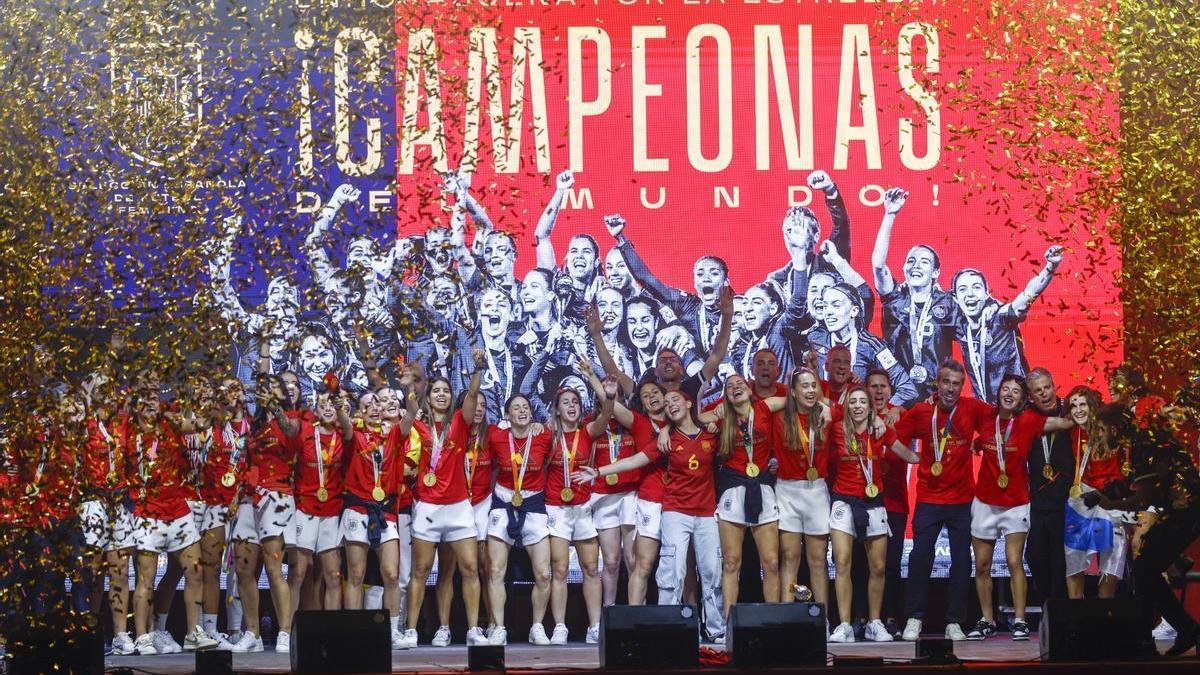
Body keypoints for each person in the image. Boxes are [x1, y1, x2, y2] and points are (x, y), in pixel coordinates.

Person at [575, 390, 726, 643]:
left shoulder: (711, 433)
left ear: (689, 402)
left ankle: (716, 628)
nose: (670, 404)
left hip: (706, 514)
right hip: (675, 512)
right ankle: (669, 628)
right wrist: (599, 472)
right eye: (667, 404)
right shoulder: (665, 440)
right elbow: (635, 460)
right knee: (672, 572)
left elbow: (731, 418)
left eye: (675, 399)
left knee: (711, 572)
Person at [1085, 404, 1200, 656]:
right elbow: (1134, 484)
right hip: (1181, 511)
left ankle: (1178, 630)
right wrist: (1106, 493)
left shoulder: (1141, 446)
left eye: (1102, 430)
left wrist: (1111, 504)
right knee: (1144, 567)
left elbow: (1143, 498)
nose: (1101, 436)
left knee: (1145, 567)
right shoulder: (1140, 441)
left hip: (1186, 511)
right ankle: (1157, 635)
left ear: (1115, 428)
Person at [892, 360, 994, 641]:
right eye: (946, 382)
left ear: (963, 386)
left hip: (962, 500)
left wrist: (981, 440)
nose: (950, 388)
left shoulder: (972, 408)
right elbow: (893, 435)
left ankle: (955, 622)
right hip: (928, 497)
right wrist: (910, 456)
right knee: (919, 558)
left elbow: (999, 415)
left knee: (961, 561)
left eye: (956, 384)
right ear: (937, 383)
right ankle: (914, 618)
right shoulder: (923, 411)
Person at [965, 375, 1072, 641]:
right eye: (1005, 389)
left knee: (1014, 561)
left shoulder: (1028, 421)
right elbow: (961, 411)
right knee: (981, 565)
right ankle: (987, 620)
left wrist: (1088, 411)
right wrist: (977, 442)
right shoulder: (984, 415)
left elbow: (1063, 422)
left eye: (1015, 391)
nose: (1009, 393)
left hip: (1016, 503)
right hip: (984, 502)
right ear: (998, 391)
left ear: (1023, 399)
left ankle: (1021, 621)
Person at [395, 354, 489, 648]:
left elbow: (473, 393)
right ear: (429, 396)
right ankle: (412, 630)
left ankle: (473, 630)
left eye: (446, 391)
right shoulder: (420, 426)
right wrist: (409, 386)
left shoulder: (461, 421)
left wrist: (477, 368)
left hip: (459, 506)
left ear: (452, 398)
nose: (441, 394)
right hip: (427, 506)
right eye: (436, 390)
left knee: (470, 569)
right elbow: (408, 412)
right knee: (421, 571)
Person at [125, 392, 217, 655]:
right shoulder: (127, 429)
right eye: (146, 398)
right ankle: (143, 637)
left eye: (155, 398)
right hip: (146, 513)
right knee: (146, 579)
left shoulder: (171, 423)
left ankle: (193, 633)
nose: (152, 403)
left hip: (177, 510)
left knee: (195, 572)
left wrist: (212, 404)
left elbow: (199, 424)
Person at [827, 386, 919, 643]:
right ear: (847, 406)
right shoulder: (836, 427)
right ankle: (844, 624)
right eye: (853, 402)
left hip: (873, 502)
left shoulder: (880, 430)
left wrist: (925, 458)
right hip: (843, 502)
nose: (857, 406)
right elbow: (825, 406)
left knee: (877, 567)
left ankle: (874, 622)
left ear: (870, 407)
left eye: (862, 402)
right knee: (843, 564)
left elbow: (904, 452)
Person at [700, 375, 786, 614]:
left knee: (770, 562)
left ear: (750, 390)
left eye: (740, 384)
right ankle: (729, 622)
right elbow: (697, 417)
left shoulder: (764, 407)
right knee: (731, 563)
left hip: (763, 490)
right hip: (733, 492)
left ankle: (773, 618)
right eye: (730, 387)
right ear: (726, 396)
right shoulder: (723, 416)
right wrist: (717, 411)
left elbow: (793, 399)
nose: (735, 388)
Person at [545, 363, 614, 645]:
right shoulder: (547, 434)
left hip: (584, 508)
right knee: (559, 570)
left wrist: (608, 397)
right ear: (557, 408)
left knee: (591, 569)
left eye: (575, 402)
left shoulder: (587, 431)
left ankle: (595, 626)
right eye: (565, 402)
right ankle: (560, 626)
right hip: (556, 508)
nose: (571, 406)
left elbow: (607, 415)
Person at [871, 188, 958, 401]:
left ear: (936, 272)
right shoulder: (894, 300)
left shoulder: (948, 303)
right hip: (898, 395)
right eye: (911, 261)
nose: (916, 266)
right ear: (903, 268)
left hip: (936, 398)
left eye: (924, 262)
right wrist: (889, 214)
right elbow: (878, 264)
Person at [483, 395, 554, 646]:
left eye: (525, 407)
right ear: (507, 415)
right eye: (516, 408)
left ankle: (537, 627)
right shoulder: (496, 436)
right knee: (495, 571)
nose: (522, 411)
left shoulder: (544, 435)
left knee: (544, 574)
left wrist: (543, 423)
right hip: (503, 504)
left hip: (534, 505)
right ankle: (499, 627)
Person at [952, 246, 1064, 403]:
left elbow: (1027, 296)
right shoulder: (958, 327)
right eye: (962, 289)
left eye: (976, 287)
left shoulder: (1001, 318)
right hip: (986, 413)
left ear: (986, 293)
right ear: (956, 298)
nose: (970, 294)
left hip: (1018, 409)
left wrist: (1050, 267)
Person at [77, 374, 137, 654]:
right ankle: (89, 633)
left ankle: (120, 634)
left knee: (120, 572)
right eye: (100, 389)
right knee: (93, 572)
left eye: (110, 388)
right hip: (93, 502)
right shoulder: (84, 425)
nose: (109, 393)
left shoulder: (123, 423)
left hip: (119, 503)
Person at [285, 391, 351, 622]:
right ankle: (287, 630)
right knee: (298, 573)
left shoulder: (344, 434)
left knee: (333, 576)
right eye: (323, 404)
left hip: (332, 513)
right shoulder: (305, 433)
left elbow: (350, 429)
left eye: (333, 405)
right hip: (305, 510)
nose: (328, 408)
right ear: (316, 409)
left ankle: (332, 629)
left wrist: (342, 411)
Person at [774, 368, 833, 611]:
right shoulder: (779, 418)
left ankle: (822, 618)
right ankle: (788, 613)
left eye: (814, 386)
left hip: (817, 490)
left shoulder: (827, 415)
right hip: (787, 491)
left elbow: (858, 410)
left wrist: (827, 406)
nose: (810, 390)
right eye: (805, 386)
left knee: (818, 560)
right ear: (793, 391)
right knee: (790, 560)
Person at [1062, 386, 1126, 600]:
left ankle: (1104, 610)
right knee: (1074, 557)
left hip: (1109, 498)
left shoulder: (1110, 428)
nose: (1078, 410)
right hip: (1082, 499)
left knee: (1112, 555)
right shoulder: (1072, 430)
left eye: (1083, 404)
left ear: (1093, 406)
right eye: (1073, 405)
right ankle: (1076, 615)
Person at [809, 283, 919, 407]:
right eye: (825, 306)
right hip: (824, 419)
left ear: (854, 310)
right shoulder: (815, 340)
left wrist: (879, 413)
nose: (828, 312)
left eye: (836, 305)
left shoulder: (872, 346)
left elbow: (908, 390)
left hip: (858, 420)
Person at [866, 368, 910, 634]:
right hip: (865, 502)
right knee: (865, 565)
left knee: (891, 564)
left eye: (883, 386)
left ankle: (891, 616)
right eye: (873, 386)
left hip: (894, 503)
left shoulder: (902, 418)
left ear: (891, 391)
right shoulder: (856, 416)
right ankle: (863, 618)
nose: (879, 391)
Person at [1024, 367, 1074, 603]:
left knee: (1060, 559)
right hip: (1038, 499)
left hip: (1066, 499)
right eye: (1038, 391)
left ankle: (1058, 612)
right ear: (1031, 397)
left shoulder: (1072, 412)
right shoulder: (1027, 417)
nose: (1044, 394)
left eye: (1047, 387)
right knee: (1035, 556)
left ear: (1054, 387)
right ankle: (1048, 603)